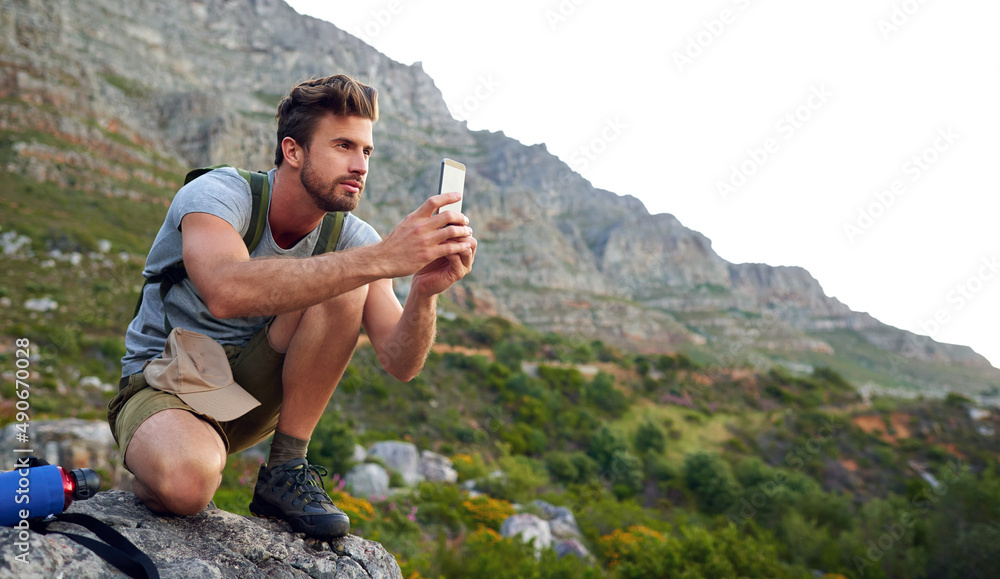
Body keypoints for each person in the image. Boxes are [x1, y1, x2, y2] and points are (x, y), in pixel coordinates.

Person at [106, 74, 477, 539]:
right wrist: (381, 259)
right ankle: (163, 462)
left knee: (347, 274)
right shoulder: (220, 195)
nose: (360, 165)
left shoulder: (354, 238)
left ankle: (285, 468)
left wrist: (425, 291)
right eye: (343, 146)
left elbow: (401, 363)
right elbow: (225, 291)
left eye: (366, 151)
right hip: (167, 383)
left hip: (250, 395)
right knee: (187, 485)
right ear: (293, 150)